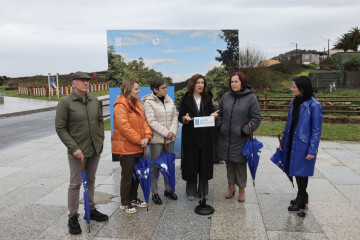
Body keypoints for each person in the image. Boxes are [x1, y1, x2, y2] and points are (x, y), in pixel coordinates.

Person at [55, 71, 109, 235]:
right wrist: (74, 148)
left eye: (87, 81)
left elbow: (100, 121)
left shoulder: (94, 100)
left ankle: (90, 209)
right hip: (77, 151)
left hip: (94, 147)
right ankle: (73, 216)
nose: (86, 83)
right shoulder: (65, 102)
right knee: (75, 183)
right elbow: (61, 128)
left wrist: (100, 139)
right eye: (82, 81)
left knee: (91, 179)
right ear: (73, 83)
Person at [278, 76, 322, 211]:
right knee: (296, 170)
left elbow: (316, 130)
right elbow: (289, 123)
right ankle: (302, 196)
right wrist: (283, 142)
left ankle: (301, 197)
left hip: (304, 144)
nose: (291, 89)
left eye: (294, 87)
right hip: (292, 140)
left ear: (302, 89)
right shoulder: (294, 102)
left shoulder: (314, 105)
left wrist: (312, 150)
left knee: (302, 172)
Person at [216, 72, 261, 202]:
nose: (233, 84)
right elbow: (218, 112)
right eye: (231, 82)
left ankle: (241, 189)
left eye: (236, 81)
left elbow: (256, 118)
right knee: (229, 162)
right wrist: (220, 126)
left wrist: (244, 130)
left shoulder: (251, 98)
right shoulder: (226, 96)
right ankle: (231, 187)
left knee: (240, 163)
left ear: (242, 82)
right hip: (225, 137)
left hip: (241, 138)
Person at [112, 79, 152, 214]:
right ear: (128, 90)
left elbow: (145, 122)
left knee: (136, 175)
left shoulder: (138, 103)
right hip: (126, 148)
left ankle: (133, 198)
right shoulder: (120, 105)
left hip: (139, 146)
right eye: (136, 89)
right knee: (127, 176)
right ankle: (125, 202)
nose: (139, 91)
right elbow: (124, 127)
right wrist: (139, 140)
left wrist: (147, 136)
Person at [178, 74, 219, 201]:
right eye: (198, 83)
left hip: (205, 137)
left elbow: (211, 113)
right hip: (191, 137)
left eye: (202, 83)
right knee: (191, 163)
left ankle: (203, 191)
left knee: (204, 163)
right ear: (192, 84)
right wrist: (184, 119)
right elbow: (181, 116)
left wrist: (213, 115)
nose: (201, 85)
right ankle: (191, 191)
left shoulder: (207, 98)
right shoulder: (185, 99)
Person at [142, 78, 179, 205]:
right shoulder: (149, 103)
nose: (165, 89)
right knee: (155, 166)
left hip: (170, 138)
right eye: (163, 88)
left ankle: (168, 189)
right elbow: (151, 121)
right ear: (155, 90)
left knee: (168, 164)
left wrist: (172, 131)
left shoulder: (169, 100)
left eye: (166, 87)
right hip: (157, 140)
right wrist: (165, 132)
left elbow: (175, 116)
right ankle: (155, 192)